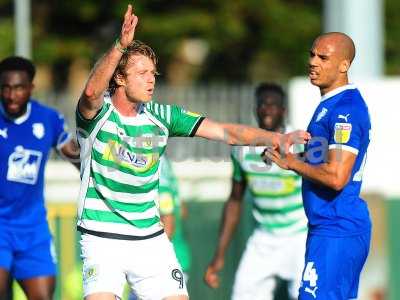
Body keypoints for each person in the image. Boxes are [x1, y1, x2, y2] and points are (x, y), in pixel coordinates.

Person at [75, 4, 310, 300]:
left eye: (154, 73)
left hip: (150, 239)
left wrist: (276, 137)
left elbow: (226, 132)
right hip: (102, 237)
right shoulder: (98, 115)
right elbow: (90, 93)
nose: (151, 79)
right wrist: (120, 46)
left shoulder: (162, 116)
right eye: (142, 73)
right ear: (120, 78)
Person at [264, 32, 372, 299]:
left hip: (337, 228)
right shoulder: (329, 105)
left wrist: (291, 163)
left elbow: (336, 176)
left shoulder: (345, 110)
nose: (313, 62)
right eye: (312, 54)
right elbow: (323, 163)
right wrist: (294, 155)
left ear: (344, 65)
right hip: (327, 227)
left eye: (323, 57)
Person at [204, 83, 307, 300]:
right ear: (255, 109)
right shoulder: (242, 149)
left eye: (273, 105)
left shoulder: (300, 142)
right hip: (264, 238)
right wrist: (219, 255)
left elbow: (321, 180)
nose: (267, 109)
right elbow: (235, 200)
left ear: (283, 111)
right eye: (262, 104)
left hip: (300, 235)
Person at [0, 56, 79, 300]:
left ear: (31, 88)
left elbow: (73, 154)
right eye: (5, 88)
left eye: (19, 88)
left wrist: (100, 171)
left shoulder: (48, 119)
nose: (11, 95)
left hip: (33, 229)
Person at [129, 156, 192, 300]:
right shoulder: (164, 163)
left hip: (159, 266)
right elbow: (182, 210)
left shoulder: (155, 170)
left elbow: (168, 225)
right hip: (175, 258)